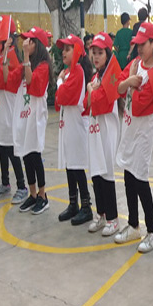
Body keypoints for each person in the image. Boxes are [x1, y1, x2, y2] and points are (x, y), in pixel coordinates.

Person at [114, 22, 153, 253]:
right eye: (136, 45)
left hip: (144, 133)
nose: (138, 49)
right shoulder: (135, 64)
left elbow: (138, 106)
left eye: (142, 44)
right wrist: (129, 81)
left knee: (140, 179)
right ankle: (133, 224)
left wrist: (132, 86)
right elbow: (118, 87)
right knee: (128, 174)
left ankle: (152, 230)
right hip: (129, 130)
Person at [4, 27, 53, 215]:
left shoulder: (43, 66)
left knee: (34, 155)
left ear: (37, 44)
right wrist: (5, 55)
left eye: (30, 41)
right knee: (25, 155)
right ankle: (32, 194)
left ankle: (42, 195)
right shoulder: (26, 64)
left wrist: (24, 57)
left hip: (35, 116)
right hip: (24, 116)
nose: (26, 43)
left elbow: (33, 84)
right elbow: (9, 79)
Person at [0, 19, 29, 204]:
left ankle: (22, 186)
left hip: (9, 111)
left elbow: (3, 80)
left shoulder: (12, 58)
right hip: (0, 111)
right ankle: (5, 183)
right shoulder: (0, 56)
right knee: (2, 148)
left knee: (12, 150)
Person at [55, 34, 94, 225]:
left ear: (77, 51)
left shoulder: (77, 71)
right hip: (68, 125)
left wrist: (59, 82)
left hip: (77, 126)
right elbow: (58, 102)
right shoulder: (68, 72)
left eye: (68, 49)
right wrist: (61, 83)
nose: (63, 52)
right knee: (70, 165)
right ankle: (73, 203)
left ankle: (86, 206)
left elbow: (63, 96)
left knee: (77, 166)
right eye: (63, 49)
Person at [85, 32, 121, 237]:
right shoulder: (95, 78)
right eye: (94, 52)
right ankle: (100, 214)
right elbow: (86, 104)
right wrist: (91, 90)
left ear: (107, 54)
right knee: (96, 173)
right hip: (94, 130)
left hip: (107, 131)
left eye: (100, 53)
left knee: (107, 174)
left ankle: (113, 219)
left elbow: (99, 103)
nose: (96, 56)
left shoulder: (111, 77)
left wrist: (91, 91)